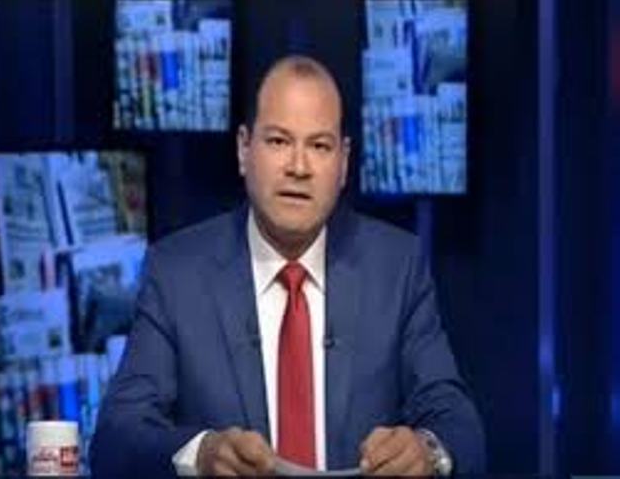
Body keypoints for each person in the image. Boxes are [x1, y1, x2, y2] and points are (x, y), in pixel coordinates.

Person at [90, 55, 485, 478]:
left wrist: (427, 451)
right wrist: (201, 454)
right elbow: (116, 439)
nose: (298, 167)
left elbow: (459, 426)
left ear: (343, 163)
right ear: (244, 149)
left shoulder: (396, 267)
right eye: (279, 141)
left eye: (319, 146)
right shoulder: (177, 273)